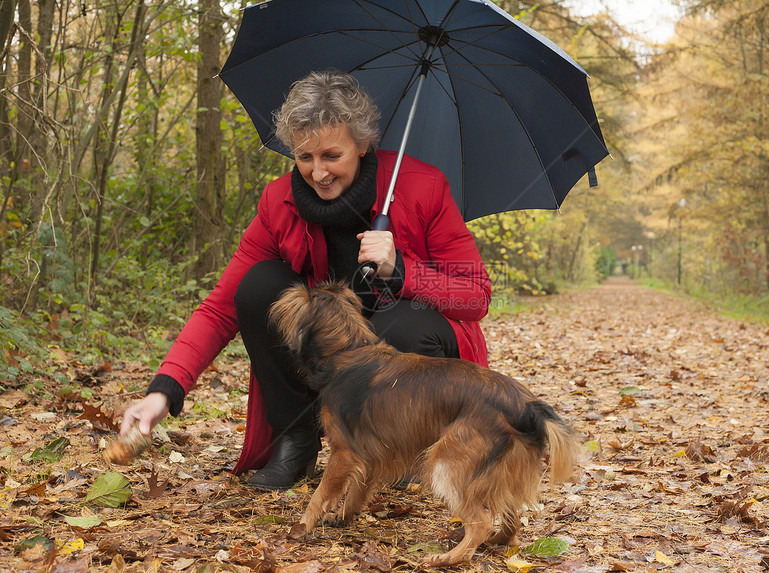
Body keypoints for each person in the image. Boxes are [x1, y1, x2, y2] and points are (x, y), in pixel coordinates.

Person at [120, 70, 492, 489]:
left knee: (403, 323)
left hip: (402, 351)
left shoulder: (422, 186)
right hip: (333, 354)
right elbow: (222, 306)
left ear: (363, 145)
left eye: (332, 155)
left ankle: (400, 444)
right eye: (304, 157)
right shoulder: (277, 202)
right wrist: (163, 391)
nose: (318, 173)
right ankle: (296, 438)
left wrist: (403, 270)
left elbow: (475, 296)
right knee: (261, 285)